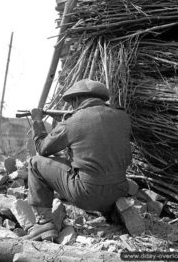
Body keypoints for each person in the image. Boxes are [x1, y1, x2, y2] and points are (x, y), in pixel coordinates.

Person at [24, 79, 132, 241]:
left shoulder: (73, 121)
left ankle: (44, 223)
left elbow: (43, 149)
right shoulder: (123, 117)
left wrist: (38, 122)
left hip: (87, 195)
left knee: (35, 163)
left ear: (76, 99)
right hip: (120, 190)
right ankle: (115, 212)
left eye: (72, 103)